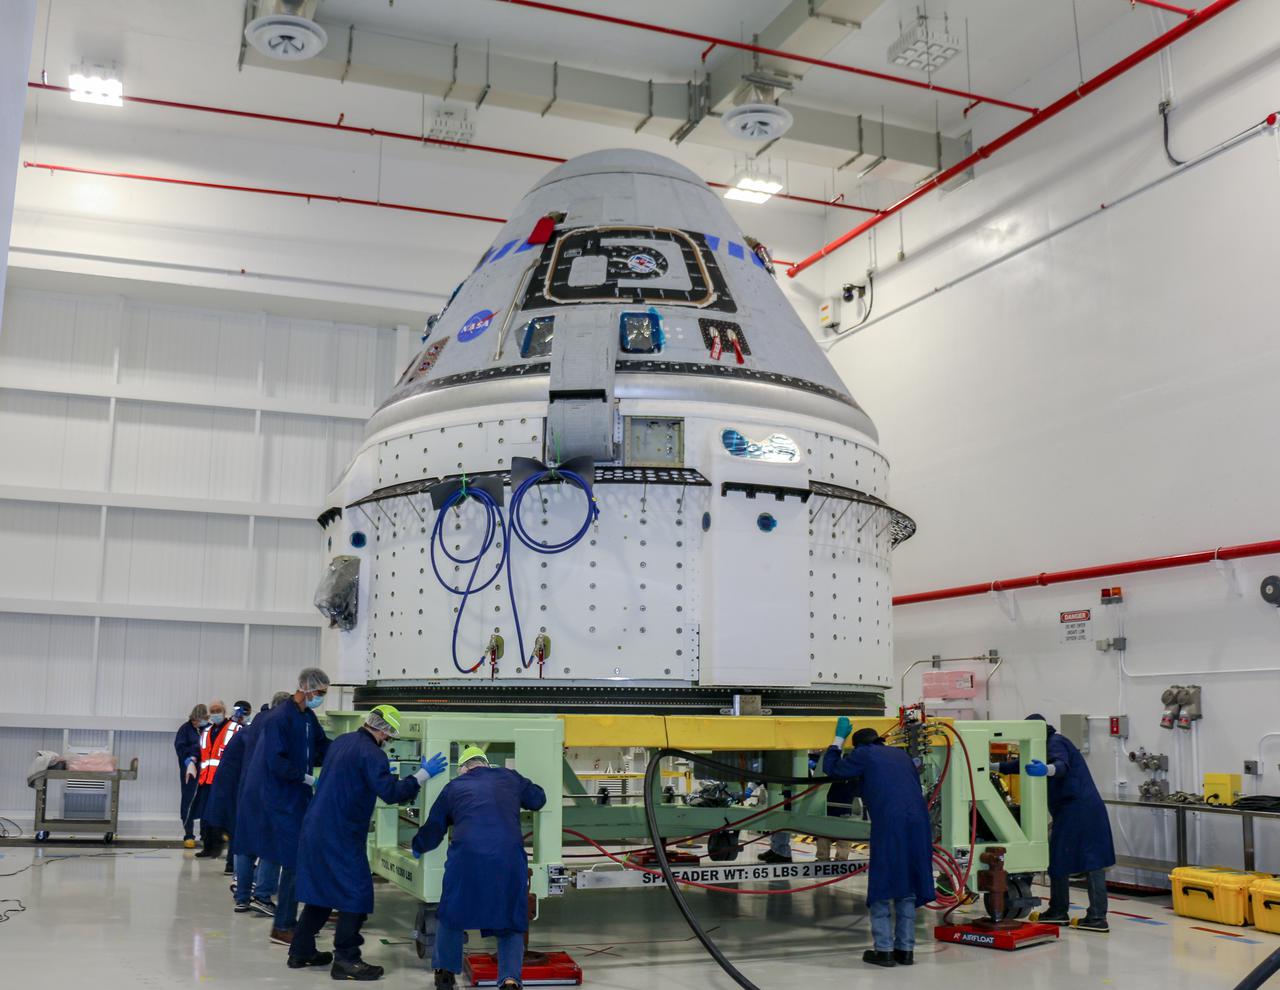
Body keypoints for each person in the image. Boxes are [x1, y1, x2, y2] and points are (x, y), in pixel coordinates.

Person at [289, 706, 448, 979]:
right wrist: (422, 775)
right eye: (391, 735)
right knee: (356, 894)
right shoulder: (372, 754)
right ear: (384, 731)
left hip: (316, 827)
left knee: (322, 892)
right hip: (341, 834)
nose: (389, 741)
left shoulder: (342, 742)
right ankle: (347, 961)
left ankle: (301, 951)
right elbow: (390, 793)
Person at [412, 745, 547, 990]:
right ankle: (509, 980)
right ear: (485, 764)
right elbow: (538, 799)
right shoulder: (510, 777)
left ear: (464, 769)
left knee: (451, 913)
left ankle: (444, 974)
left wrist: (418, 845)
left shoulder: (454, 787)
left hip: (467, 859)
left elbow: (435, 827)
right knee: (510, 916)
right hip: (507, 858)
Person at [824, 721, 935, 968]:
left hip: (890, 823)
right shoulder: (900, 754)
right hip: (918, 823)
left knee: (883, 881)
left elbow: (832, 769)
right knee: (908, 881)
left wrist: (837, 740)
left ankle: (883, 950)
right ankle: (905, 950)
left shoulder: (864, 754)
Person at [235, 667, 332, 947]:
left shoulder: (307, 717)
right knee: (290, 861)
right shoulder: (280, 718)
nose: (321, 697)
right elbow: (276, 761)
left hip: (295, 798)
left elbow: (321, 746)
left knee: (293, 861)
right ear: (307, 688)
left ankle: (287, 920)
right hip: (281, 799)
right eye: (320, 692)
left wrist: (351, 750)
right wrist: (305, 777)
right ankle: (283, 926)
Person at [997, 714, 1115, 933]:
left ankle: (1093, 916)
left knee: (1089, 862)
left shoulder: (1056, 742)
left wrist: (1047, 770)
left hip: (1080, 810)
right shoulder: (1040, 745)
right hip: (1073, 810)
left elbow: (1060, 765)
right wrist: (992, 766)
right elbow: (1020, 764)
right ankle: (1061, 911)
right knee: (1065, 860)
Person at [194, 699, 241, 859]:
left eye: (217, 711)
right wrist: (191, 761)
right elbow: (200, 752)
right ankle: (208, 847)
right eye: (212, 712)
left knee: (224, 816)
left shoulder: (234, 729)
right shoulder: (206, 732)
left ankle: (224, 848)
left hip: (226, 782)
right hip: (207, 780)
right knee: (206, 816)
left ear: (224, 711)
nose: (215, 714)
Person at [810, 753, 857, 862]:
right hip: (842, 807)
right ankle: (840, 859)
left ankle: (824, 858)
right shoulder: (855, 775)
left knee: (825, 833)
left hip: (832, 806)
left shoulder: (834, 772)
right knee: (843, 835)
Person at [174, 704, 207, 849]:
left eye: (199, 720)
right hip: (190, 772)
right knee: (188, 801)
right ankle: (188, 834)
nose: (197, 723)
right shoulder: (185, 729)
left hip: (206, 773)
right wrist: (189, 759)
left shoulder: (209, 729)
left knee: (206, 803)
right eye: (194, 720)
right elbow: (180, 747)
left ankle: (206, 835)